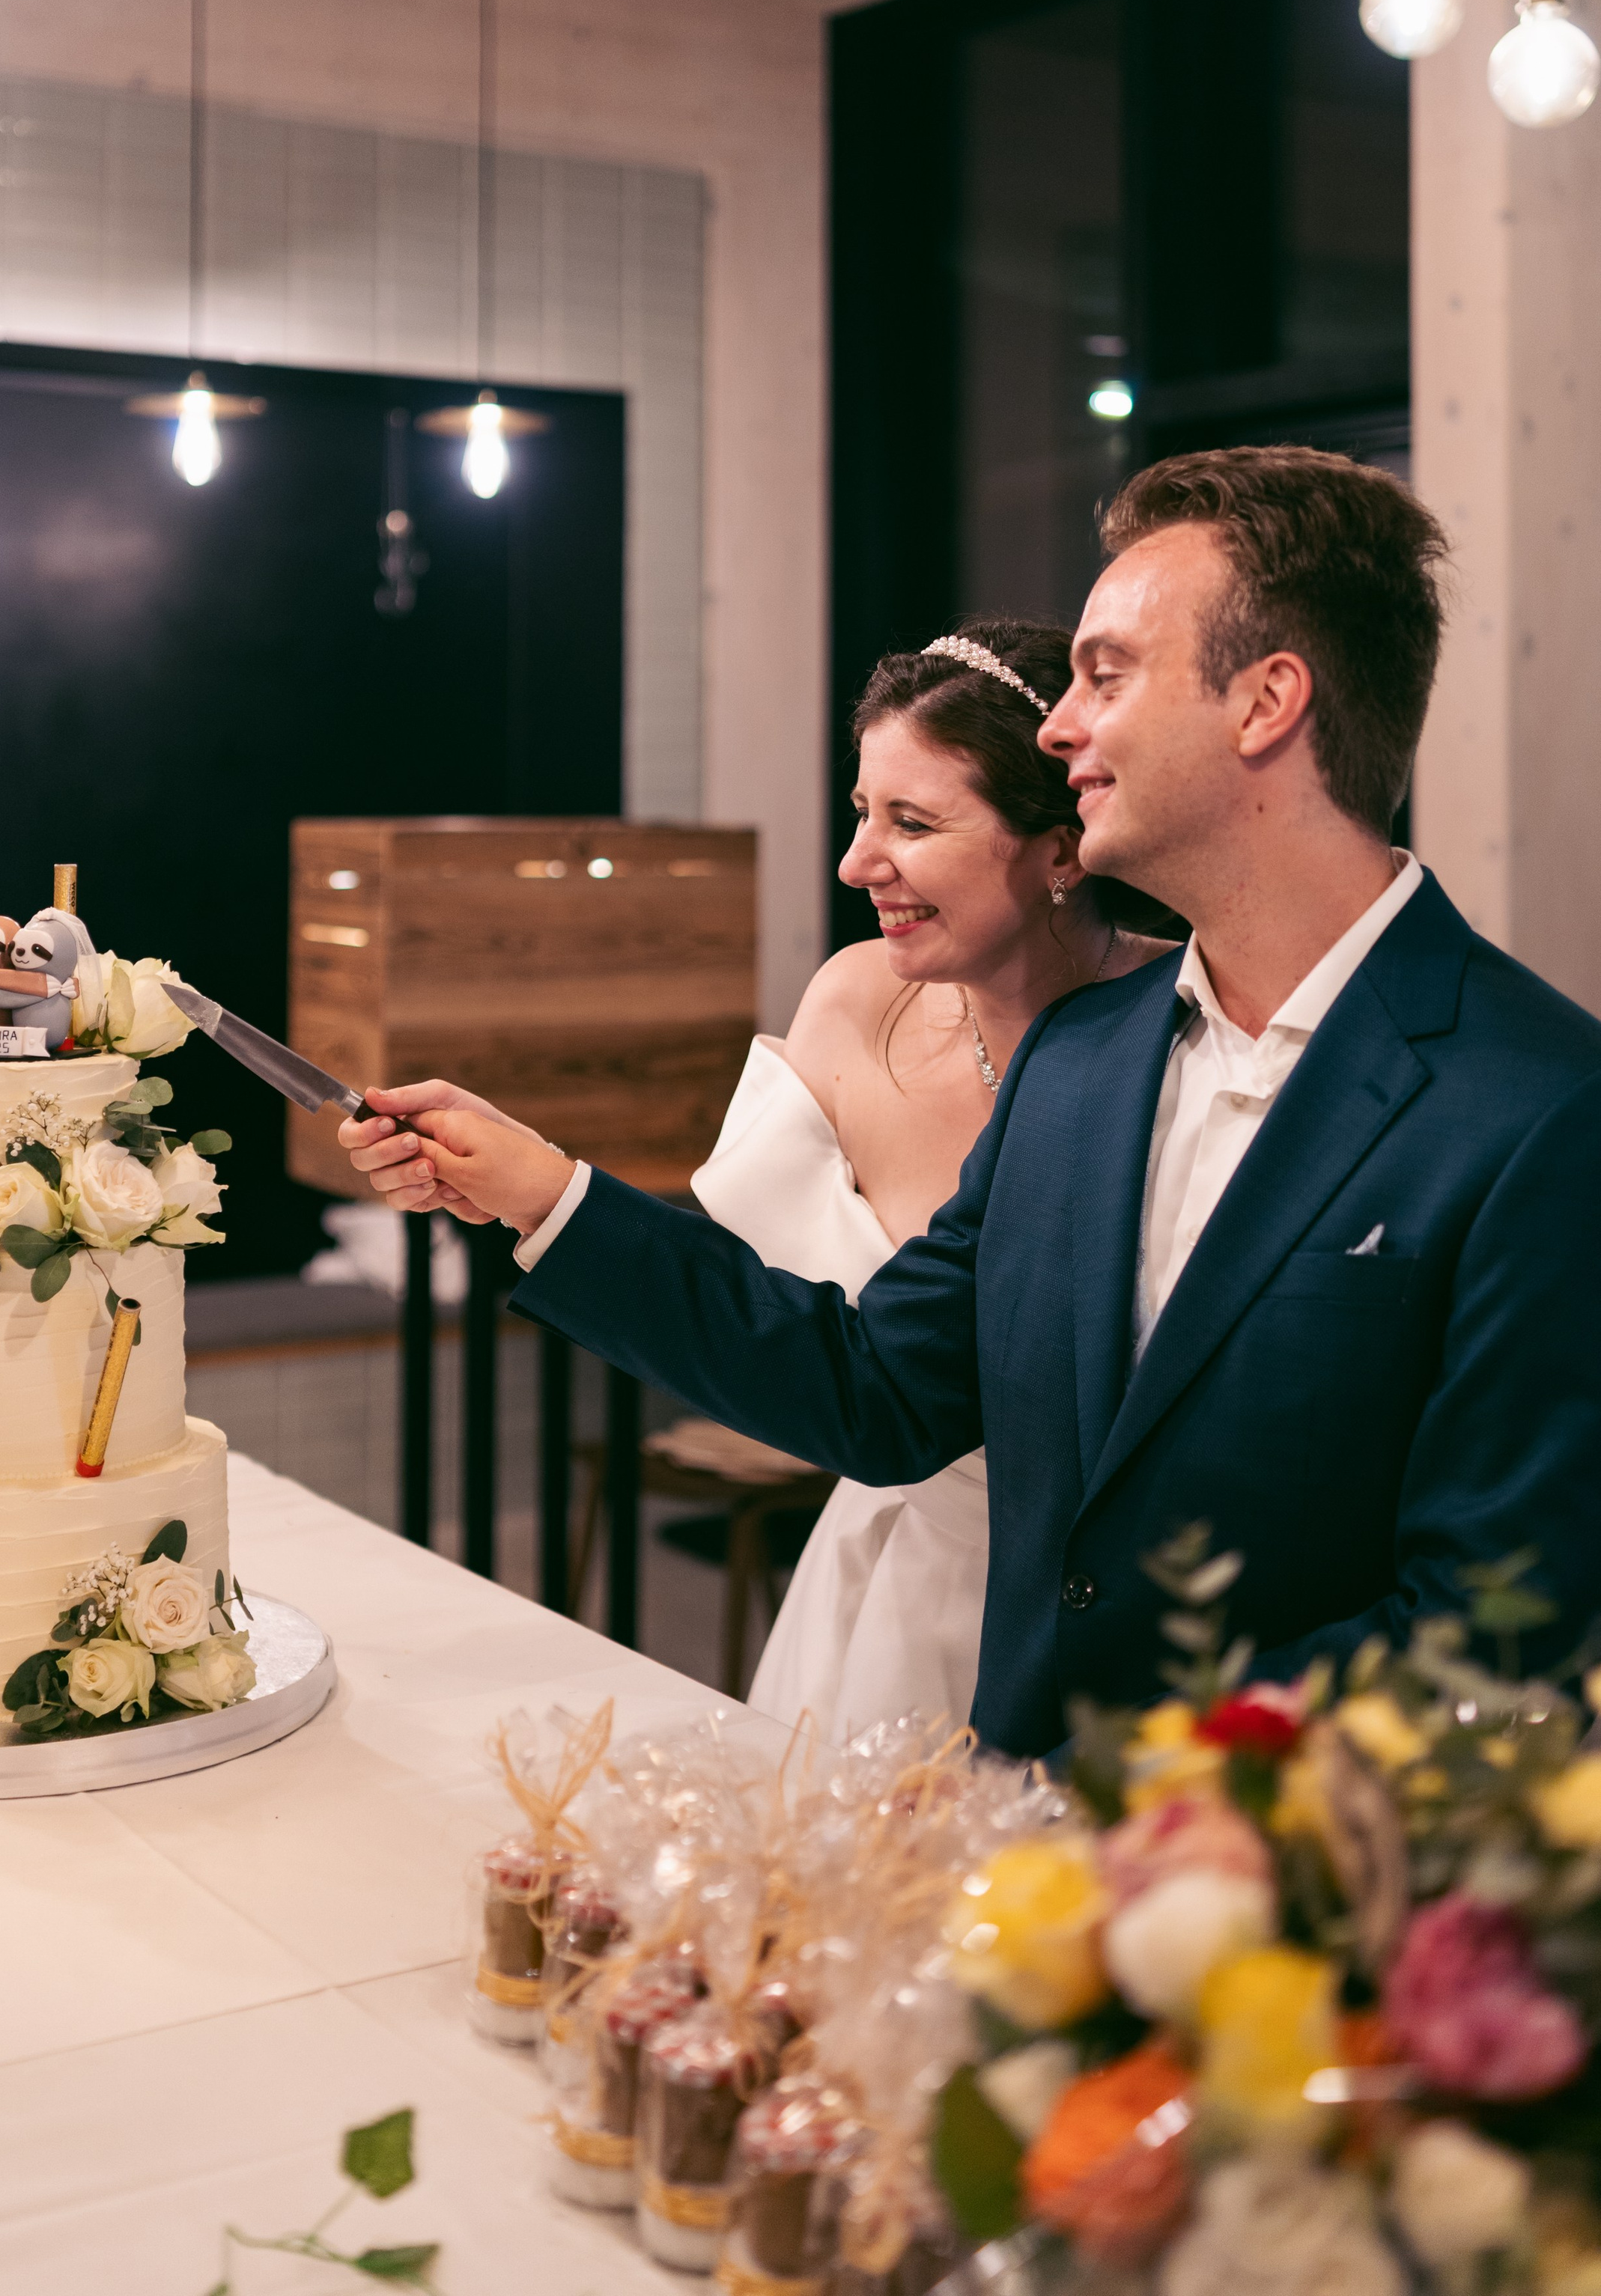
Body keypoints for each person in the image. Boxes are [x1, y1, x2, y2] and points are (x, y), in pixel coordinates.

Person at [344, 448, 1601, 1759]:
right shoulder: (1084, 1059)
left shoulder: (1540, 1109)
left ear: (1267, 702)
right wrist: (546, 1193)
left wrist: (1110, 1807)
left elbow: (1495, 1632)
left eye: (1107, 675)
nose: (1061, 728)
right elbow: (876, 1390)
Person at [695, 622, 1169, 1738]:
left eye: (911, 822)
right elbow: (771, 1326)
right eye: (863, 813)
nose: (859, 862)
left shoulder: (1180, 1034)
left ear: (1061, 849)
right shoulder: (856, 1002)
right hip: (876, 1584)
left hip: (1089, 1625)